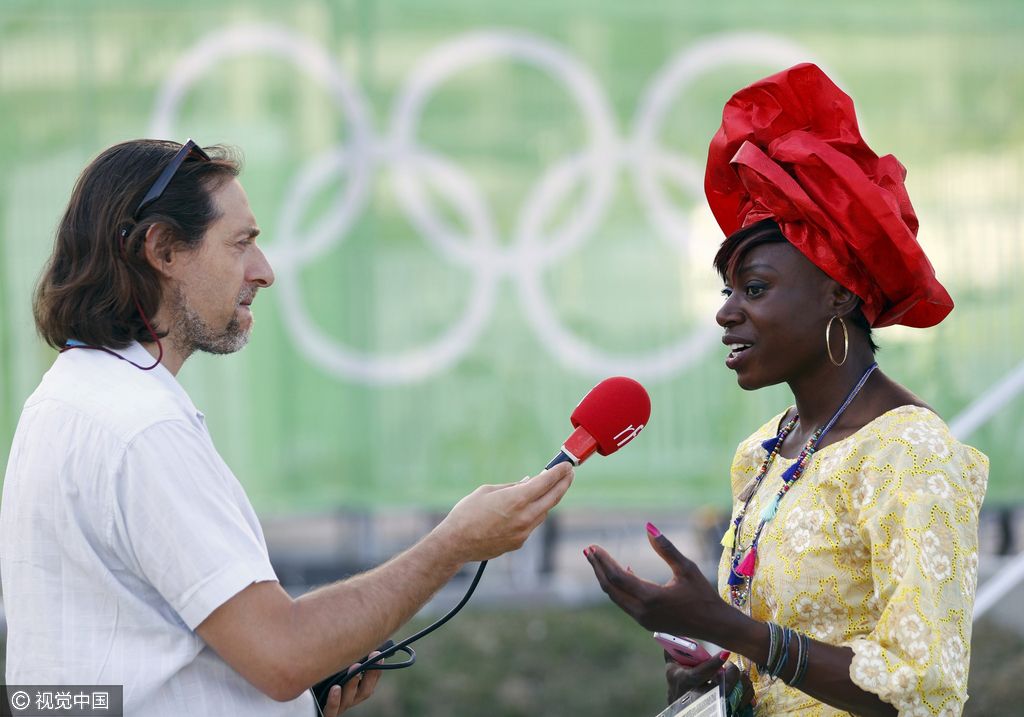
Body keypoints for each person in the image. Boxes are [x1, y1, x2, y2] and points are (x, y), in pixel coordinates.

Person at [0, 139, 574, 716]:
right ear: (164, 249)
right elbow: (280, 654)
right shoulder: (139, 426)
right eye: (242, 243)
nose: (264, 271)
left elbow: (112, 669)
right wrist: (453, 546)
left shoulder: (64, 399)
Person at [585, 63, 988, 716]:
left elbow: (926, 690)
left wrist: (729, 627)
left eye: (756, 289)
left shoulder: (912, 454)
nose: (726, 312)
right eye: (727, 291)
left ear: (837, 293)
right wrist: (717, 679)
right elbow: (778, 657)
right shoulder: (763, 451)